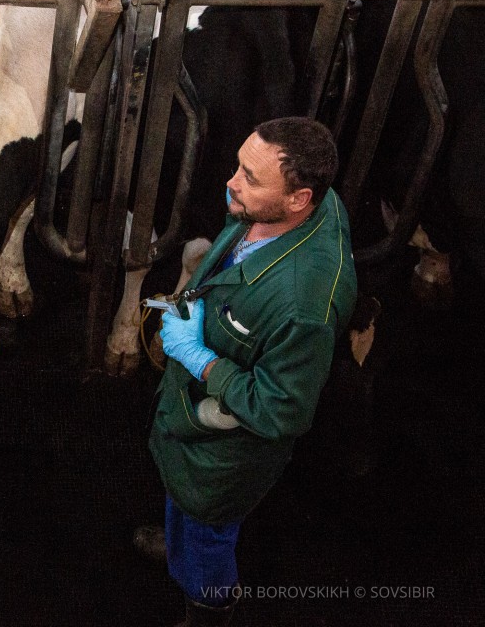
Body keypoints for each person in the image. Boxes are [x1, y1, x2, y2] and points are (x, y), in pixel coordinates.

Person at [139, 117, 358, 626]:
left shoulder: (303, 306)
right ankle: (179, 547)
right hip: (194, 425)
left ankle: (207, 605)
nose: (231, 182)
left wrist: (200, 358)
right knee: (185, 506)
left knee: (208, 532)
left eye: (250, 178)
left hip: (225, 454)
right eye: (239, 165)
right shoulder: (310, 203)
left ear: (299, 199)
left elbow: (281, 411)